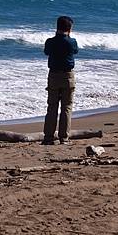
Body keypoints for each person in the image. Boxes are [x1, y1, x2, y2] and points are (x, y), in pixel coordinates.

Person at [42, 16, 79, 145]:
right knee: (66, 107)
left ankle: (48, 137)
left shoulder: (50, 41)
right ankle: (64, 137)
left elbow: (47, 52)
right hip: (67, 75)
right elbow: (75, 51)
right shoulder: (71, 42)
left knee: (52, 106)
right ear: (69, 29)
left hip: (53, 75)